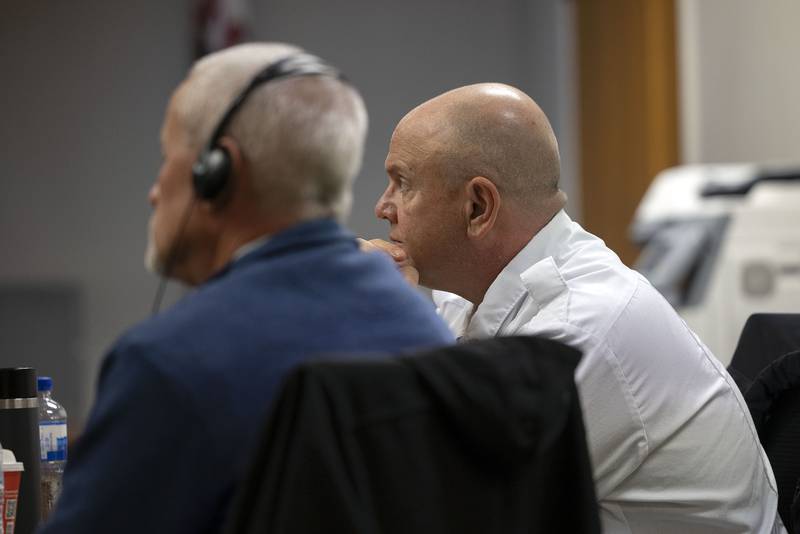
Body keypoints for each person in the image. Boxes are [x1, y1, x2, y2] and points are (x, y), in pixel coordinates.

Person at [40, 43, 454, 534]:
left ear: (217, 173)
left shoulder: (168, 363)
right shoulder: (427, 331)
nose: (155, 191)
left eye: (169, 158)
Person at [363, 83, 784, 532]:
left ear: (478, 206)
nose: (381, 207)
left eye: (402, 183)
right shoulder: (464, 297)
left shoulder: (579, 329)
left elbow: (433, 507)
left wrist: (381, 323)